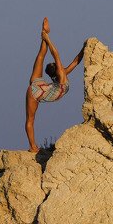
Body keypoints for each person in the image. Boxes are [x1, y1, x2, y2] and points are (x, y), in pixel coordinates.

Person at [25, 17, 85, 153]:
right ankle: (33, 147)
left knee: (40, 56)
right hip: (37, 92)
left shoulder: (63, 74)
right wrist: (47, 39)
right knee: (31, 119)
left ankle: (44, 32)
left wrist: (85, 48)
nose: (60, 66)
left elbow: (76, 61)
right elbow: (57, 54)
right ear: (57, 70)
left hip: (38, 86)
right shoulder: (63, 76)